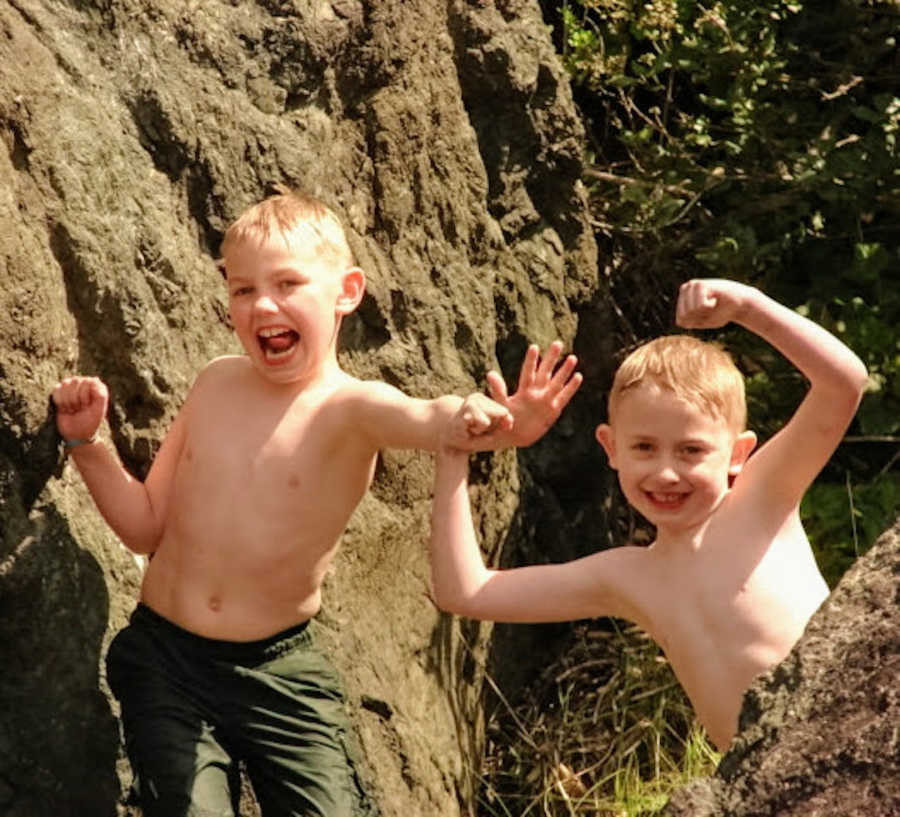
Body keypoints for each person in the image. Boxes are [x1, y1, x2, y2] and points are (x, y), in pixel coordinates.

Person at [51, 189, 578, 817]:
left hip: (281, 672)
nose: (262, 304)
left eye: (287, 283)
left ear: (347, 291)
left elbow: (428, 417)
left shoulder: (349, 409)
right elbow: (145, 529)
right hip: (167, 660)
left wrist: (488, 419)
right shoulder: (216, 383)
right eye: (242, 290)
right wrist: (88, 443)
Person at [430, 277, 869, 751]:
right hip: (765, 784)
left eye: (691, 450)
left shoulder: (762, 502)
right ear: (610, 448)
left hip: (848, 733)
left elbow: (843, 384)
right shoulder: (629, 577)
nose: (665, 472)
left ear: (738, 453)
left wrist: (747, 307)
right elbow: (466, 592)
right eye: (644, 447)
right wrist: (455, 453)